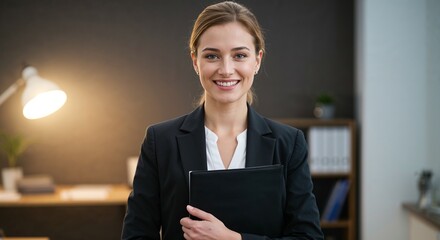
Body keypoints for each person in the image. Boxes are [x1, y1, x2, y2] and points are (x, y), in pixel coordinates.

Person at [121, 1, 324, 239]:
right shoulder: (160, 141)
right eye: (212, 56)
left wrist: (234, 239)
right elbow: (137, 234)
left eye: (239, 55)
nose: (226, 69)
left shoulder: (288, 143)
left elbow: (309, 236)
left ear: (257, 61)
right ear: (195, 61)